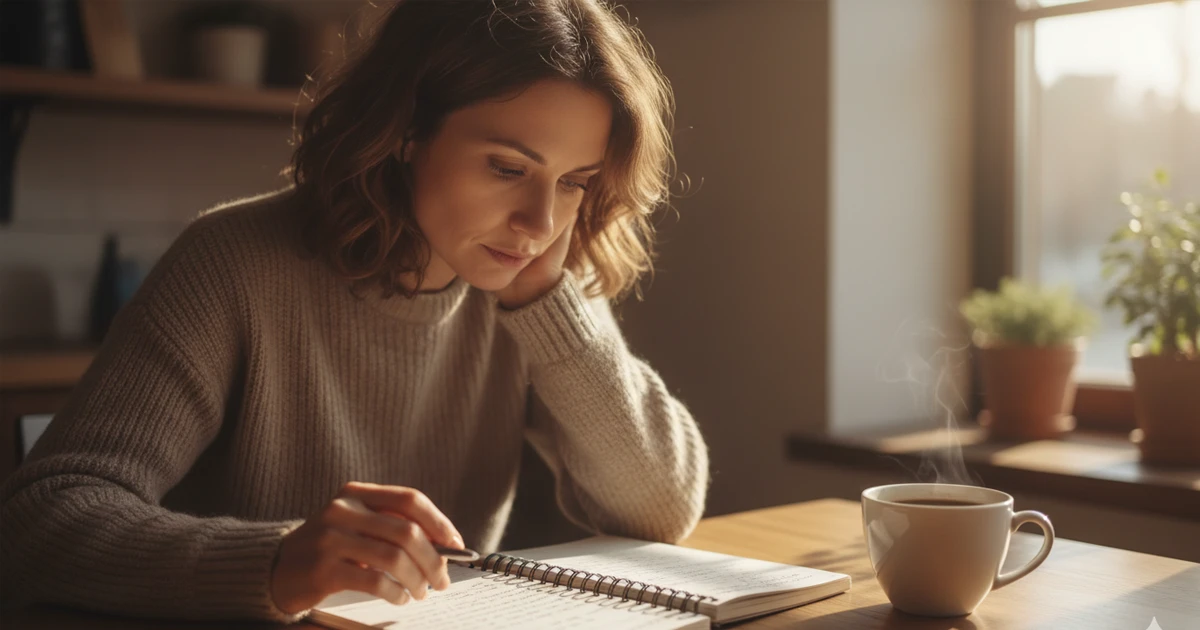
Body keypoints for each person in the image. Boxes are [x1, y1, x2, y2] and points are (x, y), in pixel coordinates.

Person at [0, 0, 709, 623]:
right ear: (407, 131)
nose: (539, 221)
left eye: (575, 183)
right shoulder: (233, 262)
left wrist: (544, 304)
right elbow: (41, 518)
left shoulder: (535, 282)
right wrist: (272, 564)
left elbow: (661, 509)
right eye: (507, 168)